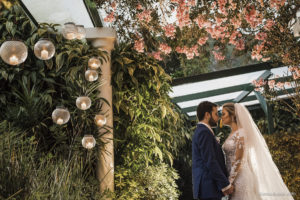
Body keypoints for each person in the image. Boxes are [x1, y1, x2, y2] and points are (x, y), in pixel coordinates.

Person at [221, 102, 294, 200]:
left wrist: (229, 181)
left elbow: (239, 159)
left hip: (240, 178)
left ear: (233, 115)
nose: (222, 117)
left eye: (223, 114)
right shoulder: (232, 134)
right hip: (234, 177)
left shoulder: (241, 133)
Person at [192, 101, 234, 200]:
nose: (218, 117)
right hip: (208, 187)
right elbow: (210, 161)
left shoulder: (203, 131)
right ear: (207, 115)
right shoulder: (204, 132)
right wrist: (225, 185)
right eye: (216, 114)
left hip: (208, 187)